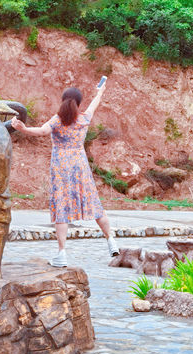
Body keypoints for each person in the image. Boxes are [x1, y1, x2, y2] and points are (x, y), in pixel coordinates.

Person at [11, 83, 119, 266]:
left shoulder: (57, 120)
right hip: (80, 167)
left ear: (63, 100)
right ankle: (111, 240)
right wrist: (101, 90)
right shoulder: (84, 119)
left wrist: (24, 129)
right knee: (94, 204)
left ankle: (62, 254)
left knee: (61, 209)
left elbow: (42, 131)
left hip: (61, 168)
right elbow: (95, 103)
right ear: (78, 102)